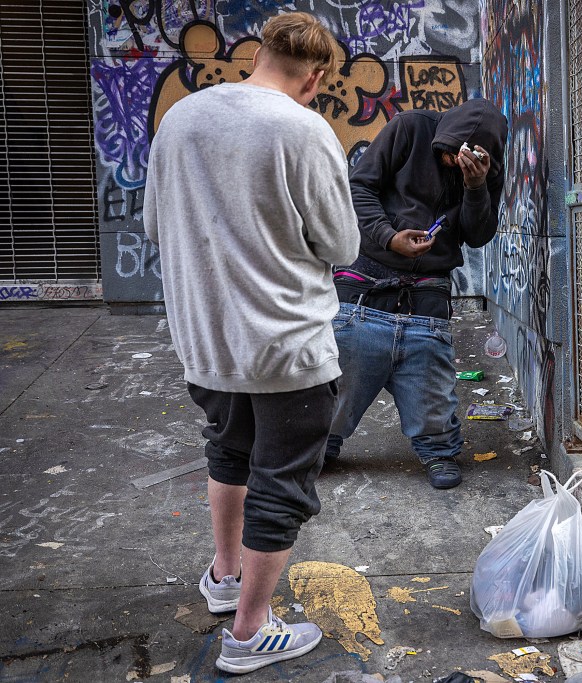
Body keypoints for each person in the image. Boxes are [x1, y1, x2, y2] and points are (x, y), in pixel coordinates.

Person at [143, 13, 359, 674]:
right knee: (284, 483)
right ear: (316, 76)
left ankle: (226, 576)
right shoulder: (301, 128)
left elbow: (155, 224)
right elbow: (342, 246)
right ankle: (249, 631)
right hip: (286, 346)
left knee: (228, 448)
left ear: (258, 53)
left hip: (206, 343)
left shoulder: (179, 121)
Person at [325, 98, 508, 489]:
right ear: (442, 135)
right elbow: (357, 188)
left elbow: (478, 235)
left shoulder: (485, 167)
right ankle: (320, 444)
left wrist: (475, 187)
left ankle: (438, 450)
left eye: (460, 163)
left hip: (427, 290)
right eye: (446, 155)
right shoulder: (410, 128)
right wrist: (389, 238)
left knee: (431, 389)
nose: (451, 165)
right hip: (366, 278)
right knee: (339, 378)